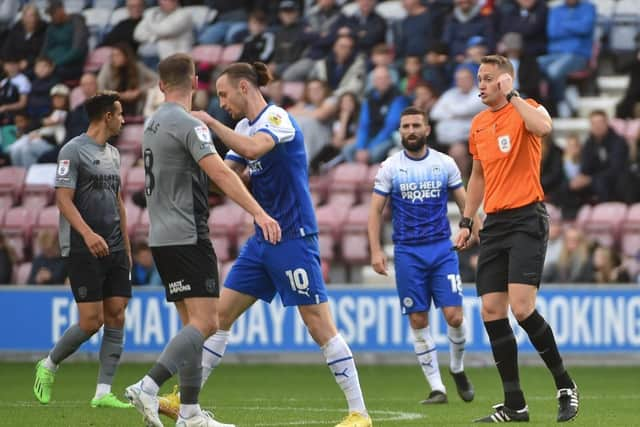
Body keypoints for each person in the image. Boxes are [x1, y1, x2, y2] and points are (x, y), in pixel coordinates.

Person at [167, 61, 373, 427]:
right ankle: (185, 401)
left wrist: (210, 125)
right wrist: (196, 162)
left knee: (318, 324)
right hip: (262, 240)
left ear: (244, 87)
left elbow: (252, 150)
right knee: (218, 317)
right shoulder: (243, 126)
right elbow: (226, 176)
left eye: (223, 94)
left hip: (293, 236)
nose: (221, 103)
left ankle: (359, 413)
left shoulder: (276, 119)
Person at [124, 53, 280, 427]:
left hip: (160, 235)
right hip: (188, 233)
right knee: (208, 323)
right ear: (196, 82)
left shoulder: (152, 123)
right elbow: (221, 177)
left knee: (192, 326)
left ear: (161, 85)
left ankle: (190, 414)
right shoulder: (189, 125)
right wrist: (258, 212)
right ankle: (147, 386)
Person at [454, 55, 579, 423]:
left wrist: (515, 96)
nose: (480, 84)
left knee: (522, 308)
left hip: (527, 218)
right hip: (494, 222)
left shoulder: (526, 110)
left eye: (488, 78)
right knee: (492, 310)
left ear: (505, 82)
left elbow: (543, 127)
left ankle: (565, 385)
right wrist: (466, 220)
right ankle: (515, 404)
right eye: (479, 77)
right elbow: (477, 176)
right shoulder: (478, 124)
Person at [368, 106, 476, 405]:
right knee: (418, 319)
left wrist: (472, 229)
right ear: (400, 131)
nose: (411, 130)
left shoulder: (444, 163)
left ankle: (457, 368)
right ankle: (437, 387)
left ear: (427, 129)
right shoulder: (390, 167)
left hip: (441, 248)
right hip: (407, 252)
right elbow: (375, 211)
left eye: (416, 125)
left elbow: (466, 201)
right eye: (405, 126)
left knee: (454, 316)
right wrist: (376, 250)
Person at [33, 91, 133, 409]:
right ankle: (48, 364)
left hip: (115, 246)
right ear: (106, 116)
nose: (124, 119)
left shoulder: (115, 154)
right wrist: (88, 234)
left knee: (117, 314)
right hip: (82, 246)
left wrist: (127, 248)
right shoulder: (72, 150)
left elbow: (118, 203)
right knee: (92, 321)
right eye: (119, 114)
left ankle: (103, 392)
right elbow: (63, 199)